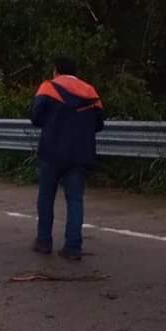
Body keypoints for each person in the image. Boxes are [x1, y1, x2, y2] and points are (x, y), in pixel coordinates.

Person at [30, 56, 105, 261]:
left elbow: (36, 117)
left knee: (46, 196)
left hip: (52, 152)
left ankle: (44, 242)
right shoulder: (90, 91)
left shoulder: (48, 87)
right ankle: (73, 247)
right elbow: (99, 124)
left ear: (56, 71)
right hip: (80, 154)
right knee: (75, 200)